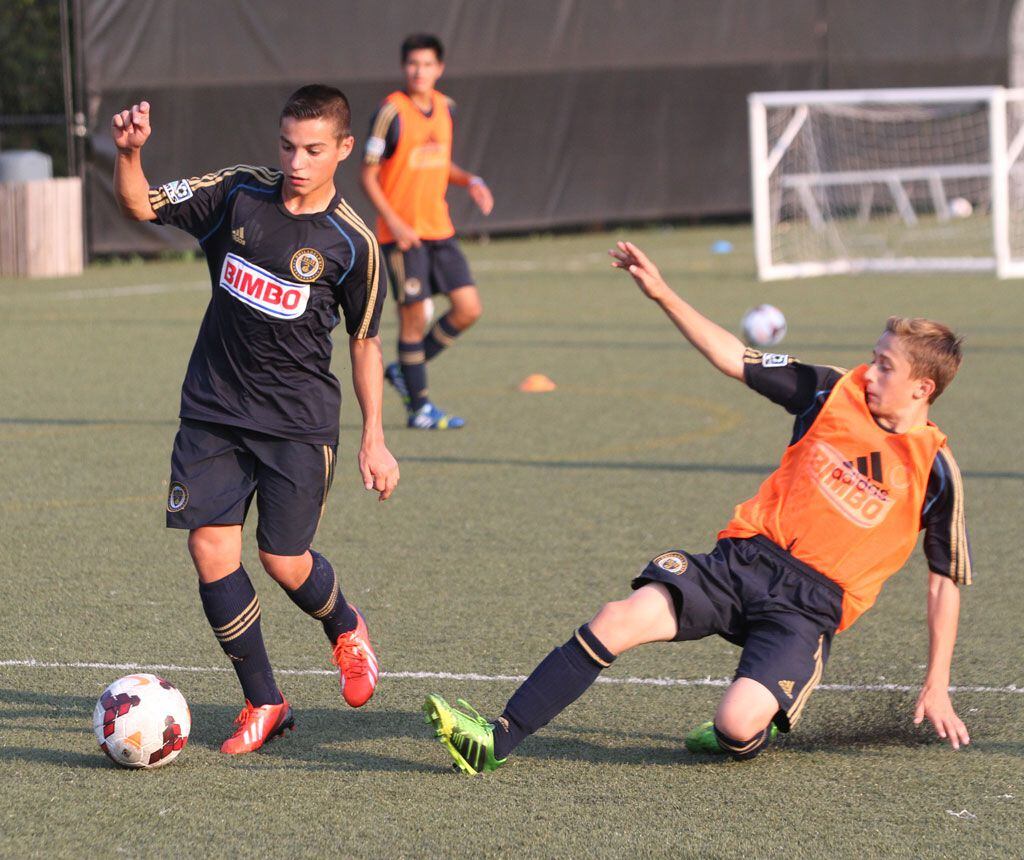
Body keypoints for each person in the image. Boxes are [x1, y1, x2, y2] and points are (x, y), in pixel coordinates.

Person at [423, 241, 973, 774]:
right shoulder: (833, 390)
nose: (868, 371)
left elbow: (944, 581)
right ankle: (496, 739)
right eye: (873, 358)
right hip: (742, 561)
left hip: (808, 607)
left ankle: (742, 734)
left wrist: (937, 683)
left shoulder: (936, 468)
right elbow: (733, 356)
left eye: (884, 366)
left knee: (735, 724)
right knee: (619, 617)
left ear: (922, 388)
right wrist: (662, 292)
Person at [111, 85, 399, 754]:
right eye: (288, 146)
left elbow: (364, 341)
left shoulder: (353, 243)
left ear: (344, 150)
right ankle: (265, 700)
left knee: (283, 557)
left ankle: (347, 627)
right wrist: (130, 153)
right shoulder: (238, 193)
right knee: (211, 548)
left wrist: (375, 440)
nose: (297, 161)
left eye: (314, 150)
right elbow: (138, 203)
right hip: (213, 409)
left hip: (297, 423)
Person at [361, 33, 494, 430]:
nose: (419, 71)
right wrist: (395, 223)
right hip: (402, 236)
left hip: (440, 230)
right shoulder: (390, 112)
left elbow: (441, 164)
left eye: (427, 64)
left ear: (440, 68)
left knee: (469, 309)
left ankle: (404, 371)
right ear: (405, 67)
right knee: (413, 318)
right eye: (413, 64)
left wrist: (470, 180)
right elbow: (368, 176)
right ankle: (419, 408)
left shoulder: (446, 109)